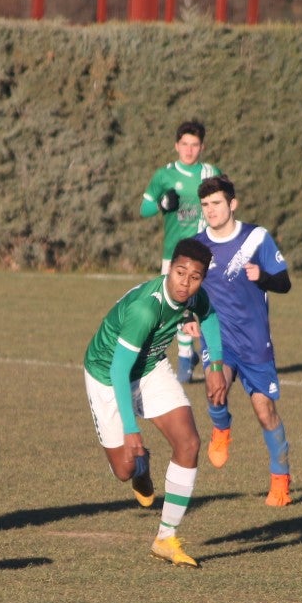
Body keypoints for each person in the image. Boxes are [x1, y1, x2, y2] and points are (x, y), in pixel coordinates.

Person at [83, 238, 228, 568]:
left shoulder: (195, 296)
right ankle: (141, 466)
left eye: (194, 277)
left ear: (202, 279)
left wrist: (215, 366)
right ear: (169, 268)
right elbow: (119, 369)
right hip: (107, 374)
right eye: (180, 273)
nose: (185, 283)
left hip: (149, 368)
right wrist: (132, 430)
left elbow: (209, 316)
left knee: (189, 442)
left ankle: (165, 538)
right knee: (124, 469)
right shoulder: (146, 308)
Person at [193, 175, 294, 507]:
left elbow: (284, 283)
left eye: (217, 203)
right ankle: (221, 429)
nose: (211, 210)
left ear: (232, 204)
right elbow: (184, 290)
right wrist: (185, 321)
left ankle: (280, 480)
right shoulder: (197, 246)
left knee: (265, 412)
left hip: (255, 341)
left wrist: (262, 277)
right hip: (218, 339)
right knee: (215, 388)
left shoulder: (256, 238)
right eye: (206, 205)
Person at [140, 119, 222, 384]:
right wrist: (163, 204)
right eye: (184, 144)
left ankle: (214, 357)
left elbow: (223, 208)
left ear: (202, 146)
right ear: (177, 146)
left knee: (209, 305)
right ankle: (186, 356)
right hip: (174, 254)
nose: (189, 150)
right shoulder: (164, 176)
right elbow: (145, 208)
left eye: (194, 145)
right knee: (178, 303)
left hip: (207, 251)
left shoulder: (211, 173)